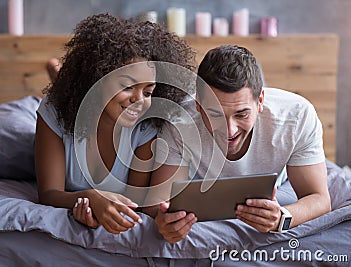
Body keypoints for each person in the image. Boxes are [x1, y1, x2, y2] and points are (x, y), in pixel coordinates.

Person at [144, 45, 331, 243]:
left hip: (281, 182)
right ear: (198, 104)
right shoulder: (179, 121)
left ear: (260, 101)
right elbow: (157, 202)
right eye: (214, 114)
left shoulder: (297, 116)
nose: (229, 130)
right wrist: (165, 221)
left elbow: (319, 198)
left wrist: (281, 218)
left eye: (241, 114)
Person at [35, 13, 195, 235]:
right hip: (75, 109)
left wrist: (97, 211)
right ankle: (58, 75)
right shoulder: (55, 112)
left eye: (148, 91)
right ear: (97, 80)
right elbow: (49, 194)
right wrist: (90, 198)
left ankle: (58, 73)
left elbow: (134, 202)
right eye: (128, 86)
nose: (139, 101)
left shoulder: (147, 129)